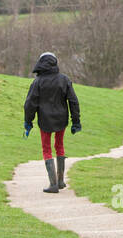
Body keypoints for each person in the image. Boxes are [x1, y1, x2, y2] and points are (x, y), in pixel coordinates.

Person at [24, 51, 81, 194]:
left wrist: (28, 122)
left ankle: (53, 184)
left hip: (45, 120)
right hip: (61, 119)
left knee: (46, 148)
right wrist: (76, 122)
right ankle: (60, 181)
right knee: (59, 145)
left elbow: (30, 104)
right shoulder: (64, 79)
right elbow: (73, 101)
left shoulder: (37, 82)